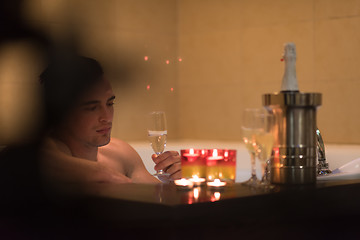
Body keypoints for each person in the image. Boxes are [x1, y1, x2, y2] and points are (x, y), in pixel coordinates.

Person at [38, 55, 181, 192]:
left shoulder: (120, 153)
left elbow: (159, 198)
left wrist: (177, 181)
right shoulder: (44, 155)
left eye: (110, 103)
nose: (107, 117)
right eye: (92, 108)